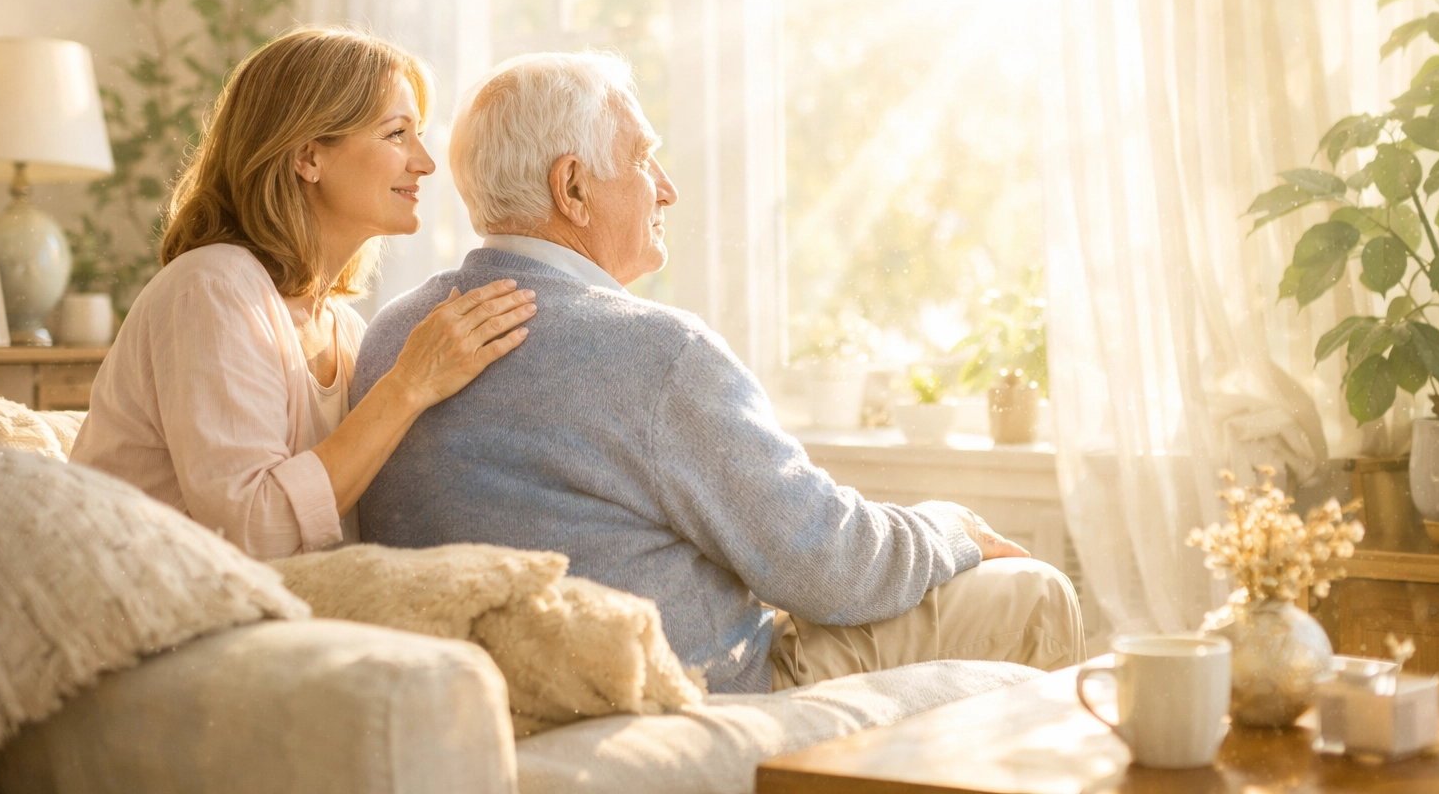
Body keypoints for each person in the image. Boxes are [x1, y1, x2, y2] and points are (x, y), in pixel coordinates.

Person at [354, 51, 1085, 693]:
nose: (666, 188)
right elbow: (829, 567)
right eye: (643, 159)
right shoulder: (653, 351)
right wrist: (945, 528)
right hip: (704, 688)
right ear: (571, 188)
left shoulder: (393, 339)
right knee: (1031, 592)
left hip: (498, 698)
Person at [70, 27, 537, 560]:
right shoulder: (211, 289)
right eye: (396, 134)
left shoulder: (346, 327)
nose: (425, 163)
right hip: (145, 612)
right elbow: (254, 532)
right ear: (309, 156)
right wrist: (408, 383)